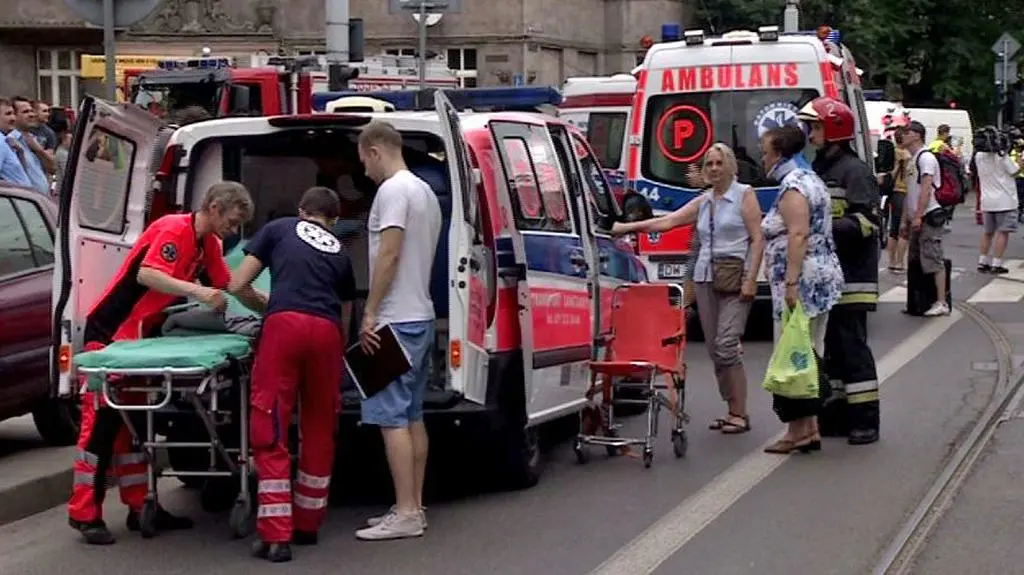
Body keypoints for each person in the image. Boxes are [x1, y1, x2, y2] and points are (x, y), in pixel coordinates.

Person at [68, 182, 266, 545]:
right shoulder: (174, 229)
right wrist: (195, 290)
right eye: (233, 221)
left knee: (137, 429)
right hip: (111, 335)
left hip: (141, 342)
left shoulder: (208, 244)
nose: (234, 230)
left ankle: (139, 505)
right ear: (213, 207)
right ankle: (83, 513)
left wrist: (273, 306)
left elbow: (231, 286)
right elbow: (147, 274)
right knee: (101, 427)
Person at [228, 186, 357, 563]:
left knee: (272, 423)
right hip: (328, 332)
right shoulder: (340, 250)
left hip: (285, 326)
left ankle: (276, 534)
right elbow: (345, 313)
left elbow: (237, 284)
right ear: (331, 220)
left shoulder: (281, 227)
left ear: (303, 211)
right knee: (319, 424)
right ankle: (307, 524)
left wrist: (268, 306)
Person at [612, 143, 764, 434]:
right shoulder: (705, 201)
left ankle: (741, 413)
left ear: (731, 166)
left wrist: (751, 278)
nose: (715, 169)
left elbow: (757, 239)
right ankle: (732, 408)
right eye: (709, 164)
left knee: (726, 345)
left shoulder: (745, 195)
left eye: (720, 163)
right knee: (714, 349)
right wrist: (625, 228)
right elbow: (667, 221)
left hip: (734, 278)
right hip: (706, 278)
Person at [354, 121, 442, 541]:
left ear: (374, 150)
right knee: (412, 415)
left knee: (391, 419)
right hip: (421, 314)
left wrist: (369, 312)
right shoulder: (425, 192)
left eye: (363, 161)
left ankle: (406, 512)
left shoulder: (391, 191)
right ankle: (414, 505)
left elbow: (388, 254)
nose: (365, 173)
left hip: (395, 319)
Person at [799, 97, 882, 445]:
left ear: (833, 130)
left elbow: (868, 222)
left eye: (815, 127)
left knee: (852, 349)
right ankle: (836, 415)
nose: (810, 133)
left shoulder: (855, 171)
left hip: (853, 277)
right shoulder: (819, 168)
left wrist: (823, 226)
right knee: (832, 348)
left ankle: (866, 420)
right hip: (827, 277)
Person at [758, 124, 844, 455]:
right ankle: (809, 428)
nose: (763, 158)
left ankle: (797, 431)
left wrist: (791, 282)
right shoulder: (811, 181)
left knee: (793, 356)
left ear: (779, 152)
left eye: (766, 152)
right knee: (808, 354)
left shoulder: (794, 187)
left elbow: (798, 234)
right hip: (819, 280)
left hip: (802, 283)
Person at [900, 121, 950, 316]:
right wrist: (906, 219)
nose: (902, 136)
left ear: (917, 135)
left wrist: (919, 216)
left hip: (928, 215)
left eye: (906, 132)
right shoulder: (912, 159)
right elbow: (910, 192)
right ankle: (918, 300)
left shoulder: (926, 158)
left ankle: (941, 302)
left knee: (933, 257)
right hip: (917, 217)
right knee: (916, 260)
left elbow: (926, 189)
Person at [972, 126, 1024, 274]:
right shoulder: (1002, 157)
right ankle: (997, 263)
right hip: (1005, 200)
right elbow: (1015, 171)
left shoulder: (979, 157)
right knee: (1003, 232)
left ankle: (982, 261)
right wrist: (1020, 158)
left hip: (987, 201)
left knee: (987, 232)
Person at [0, 98, 32, 187]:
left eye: (14, 113)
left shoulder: (6, 140)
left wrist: (20, 152)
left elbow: (21, 175)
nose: (13, 118)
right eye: (8, 114)